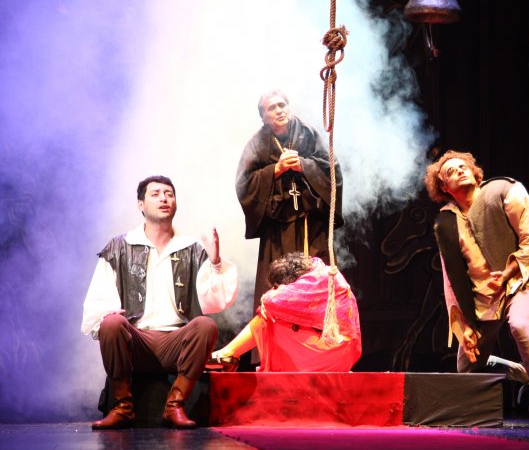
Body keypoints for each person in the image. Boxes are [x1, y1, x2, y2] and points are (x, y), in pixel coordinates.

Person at [81, 175, 238, 430]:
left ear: (175, 203)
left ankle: (175, 405)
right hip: (136, 341)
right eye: (155, 194)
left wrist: (216, 261)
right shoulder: (120, 247)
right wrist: (108, 313)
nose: (164, 198)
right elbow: (98, 298)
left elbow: (216, 301)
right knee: (110, 323)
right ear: (140, 204)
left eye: (169, 194)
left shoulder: (191, 248)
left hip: (176, 342)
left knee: (205, 325)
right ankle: (122, 407)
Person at [424, 151, 529, 428]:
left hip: (517, 285)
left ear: (474, 172)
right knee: (466, 367)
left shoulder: (505, 191)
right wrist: (464, 326)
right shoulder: (446, 223)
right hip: (482, 301)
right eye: (450, 172)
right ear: (444, 188)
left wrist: (507, 273)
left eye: (463, 166)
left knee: (519, 325)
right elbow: (451, 280)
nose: (459, 171)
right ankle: (522, 374)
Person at [236, 89, 343, 312]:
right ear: (263, 117)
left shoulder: (308, 133)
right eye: (272, 108)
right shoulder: (257, 143)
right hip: (277, 231)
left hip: (310, 224)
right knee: (279, 289)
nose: (279, 110)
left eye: (282, 105)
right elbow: (244, 184)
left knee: (318, 287)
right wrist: (276, 169)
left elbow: (332, 171)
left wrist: (304, 165)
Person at [210, 252, 361, 372]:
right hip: (344, 355)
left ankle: (229, 353)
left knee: (268, 317)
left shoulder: (312, 281)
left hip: (331, 355)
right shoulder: (321, 270)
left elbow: (269, 300)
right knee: (278, 317)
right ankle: (229, 352)